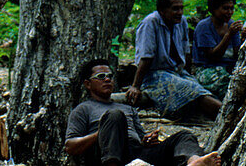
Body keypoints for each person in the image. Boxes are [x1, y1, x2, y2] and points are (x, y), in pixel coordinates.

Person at [65, 60, 221, 166]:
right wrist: (102, 133)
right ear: (87, 84)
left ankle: (194, 161)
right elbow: (71, 147)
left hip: (135, 154)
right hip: (107, 155)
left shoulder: (128, 108)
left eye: (110, 76)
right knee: (114, 116)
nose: (107, 80)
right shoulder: (83, 109)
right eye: (101, 77)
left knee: (183, 136)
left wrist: (146, 140)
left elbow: (140, 140)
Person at [126, 0, 221, 119]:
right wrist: (135, 86)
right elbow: (146, 57)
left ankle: (225, 115)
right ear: (162, 10)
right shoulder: (150, 23)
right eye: (175, 9)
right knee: (194, 92)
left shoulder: (181, 22)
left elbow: (186, 52)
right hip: (155, 74)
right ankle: (226, 116)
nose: (180, 12)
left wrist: (188, 76)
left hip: (176, 71)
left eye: (181, 8)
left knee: (199, 89)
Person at [192, 0, 244, 98]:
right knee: (227, 85)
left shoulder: (231, 24)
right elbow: (212, 57)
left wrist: (243, 39)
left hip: (229, 68)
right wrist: (228, 35)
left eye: (231, 8)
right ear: (214, 9)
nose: (229, 12)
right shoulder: (204, 26)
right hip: (208, 70)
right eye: (225, 8)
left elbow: (237, 54)